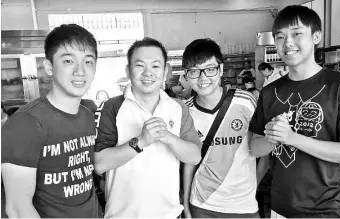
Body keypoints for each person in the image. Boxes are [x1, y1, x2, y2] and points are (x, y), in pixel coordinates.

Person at [248, 5, 340, 218]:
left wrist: (291, 137)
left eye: (297, 34)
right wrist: (273, 138)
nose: (287, 43)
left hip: (327, 210)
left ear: (316, 36)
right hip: (280, 206)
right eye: (280, 37)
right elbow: (255, 148)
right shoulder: (270, 91)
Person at [94, 37, 201, 218]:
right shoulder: (111, 107)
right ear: (128, 71)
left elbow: (194, 156)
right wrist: (140, 142)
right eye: (140, 65)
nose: (148, 72)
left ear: (166, 71)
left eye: (155, 66)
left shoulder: (178, 107)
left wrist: (167, 136)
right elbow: (100, 164)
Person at [1, 24, 101, 218]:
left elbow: (83, 180)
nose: (80, 71)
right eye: (68, 61)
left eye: (88, 61)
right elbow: (18, 209)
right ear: (48, 67)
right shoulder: (25, 124)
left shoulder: (88, 115)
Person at [182, 38, 260, 218]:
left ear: (221, 69)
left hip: (244, 206)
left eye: (210, 69)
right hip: (202, 205)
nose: (203, 78)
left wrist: (252, 186)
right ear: (186, 75)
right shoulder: (185, 112)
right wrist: (186, 205)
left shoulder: (246, 102)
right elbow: (189, 162)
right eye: (194, 72)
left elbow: (259, 148)